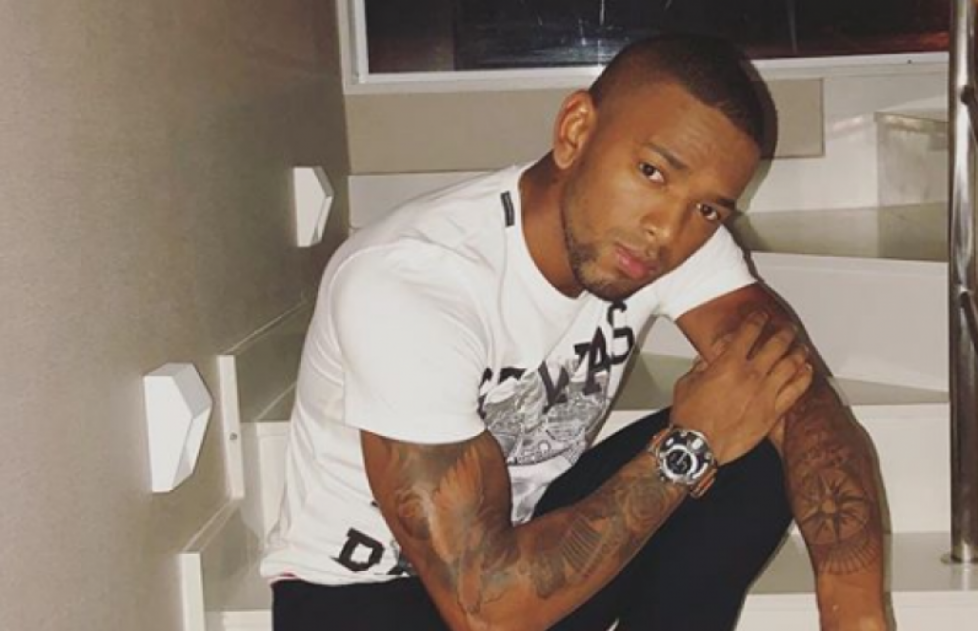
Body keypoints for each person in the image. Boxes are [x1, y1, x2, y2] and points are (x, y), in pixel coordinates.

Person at [262, 33, 889, 631]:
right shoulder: (414, 282)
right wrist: (686, 447)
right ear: (575, 132)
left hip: (524, 554)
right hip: (366, 600)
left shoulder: (672, 240)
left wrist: (854, 610)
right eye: (652, 172)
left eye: (707, 208)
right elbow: (484, 612)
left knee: (759, 433)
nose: (666, 231)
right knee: (712, 441)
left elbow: (799, 392)